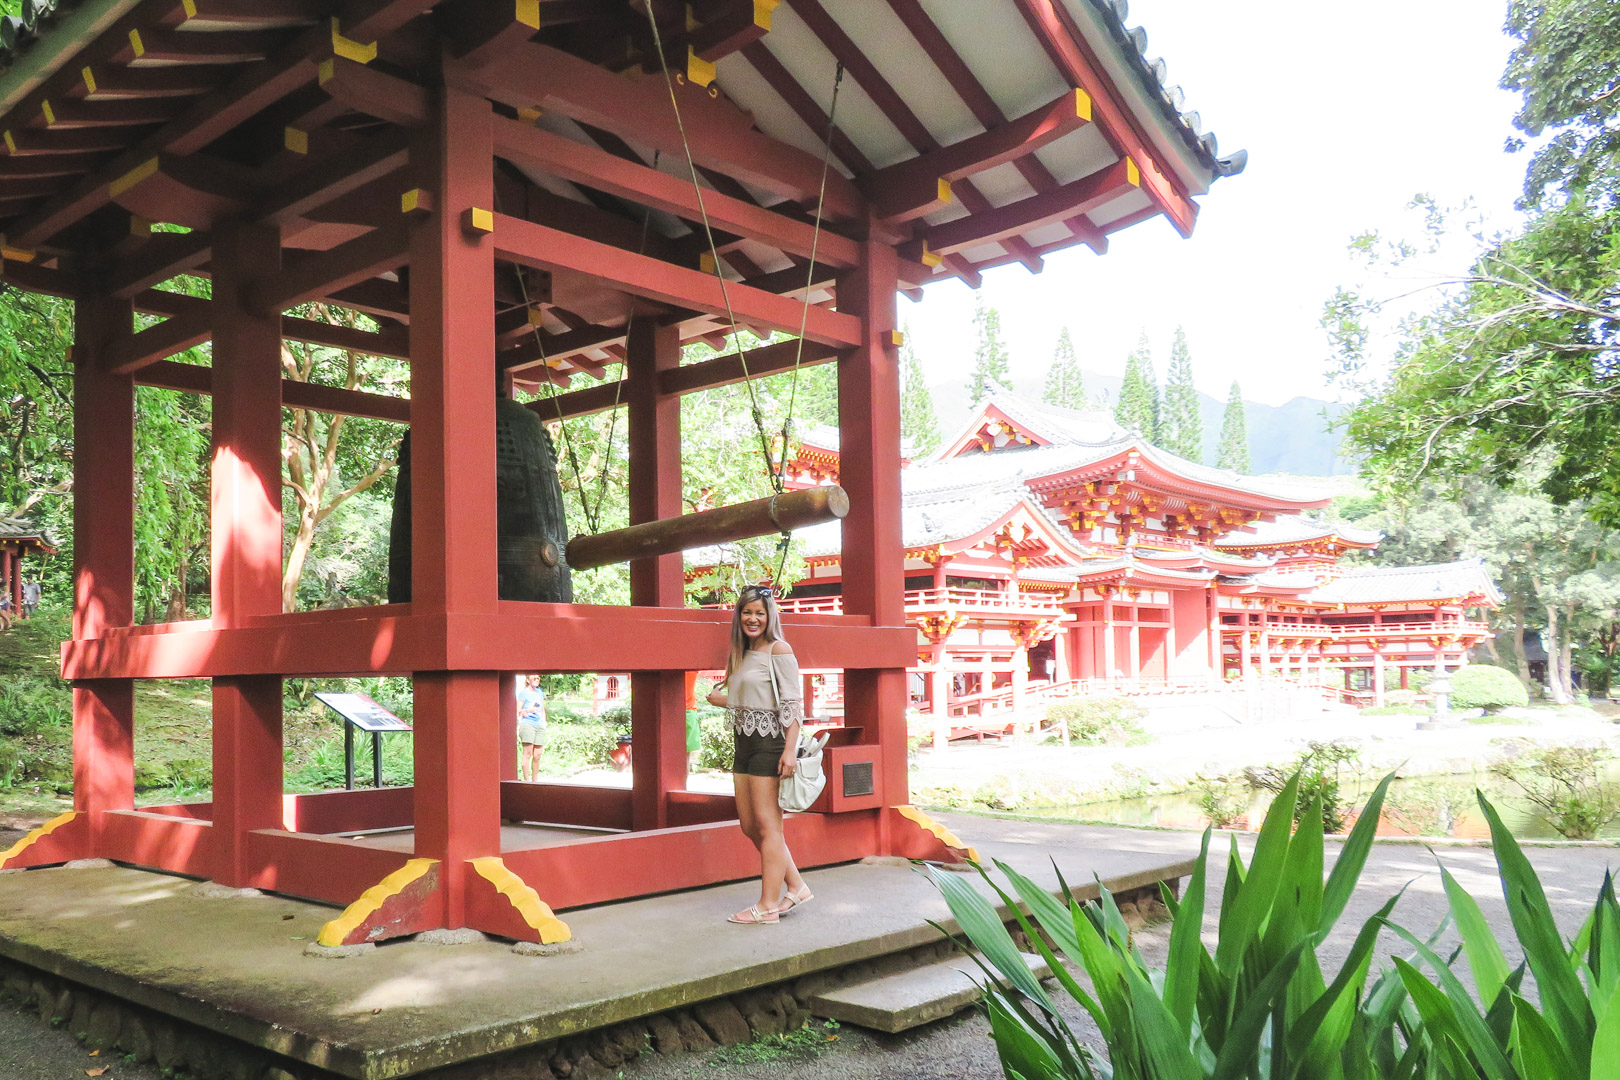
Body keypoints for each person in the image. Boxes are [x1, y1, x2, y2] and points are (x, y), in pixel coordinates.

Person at [706, 584, 812, 925]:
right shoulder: (740, 653)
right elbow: (749, 697)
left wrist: (790, 752)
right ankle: (796, 886)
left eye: (760, 613)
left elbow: (794, 706)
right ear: (739, 616)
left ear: (770, 617)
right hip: (743, 742)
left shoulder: (779, 650)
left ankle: (768, 906)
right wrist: (718, 696)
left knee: (769, 826)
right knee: (750, 826)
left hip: (770, 744)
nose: (753, 619)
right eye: (747, 612)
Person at [516, 674, 547, 781]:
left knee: (538, 754)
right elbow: (518, 710)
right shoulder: (524, 693)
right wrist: (529, 710)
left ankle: (535, 781)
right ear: (528, 680)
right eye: (534, 678)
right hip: (528, 724)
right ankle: (527, 780)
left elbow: (543, 709)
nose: (537, 680)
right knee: (528, 753)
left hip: (540, 725)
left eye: (538, 678)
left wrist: (544, 722)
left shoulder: (539, 692)